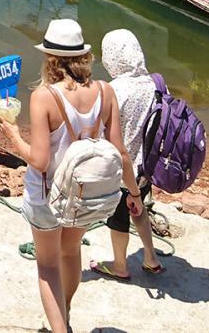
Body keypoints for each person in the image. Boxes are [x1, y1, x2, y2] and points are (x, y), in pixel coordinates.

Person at [0, 19, 141, 333]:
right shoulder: (105, 91)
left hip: (48, 195)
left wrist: (12, 135)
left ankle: (59, 326)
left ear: (50, 58)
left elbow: (39, 160)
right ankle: (65, 314)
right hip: (86, 194)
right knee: (70, 251)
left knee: (47, 265)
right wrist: (134, 194)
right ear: (83, 57)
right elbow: (121, 152)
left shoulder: (44, 97)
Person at [91, 28, 164, 281]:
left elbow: (100, 131)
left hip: (123, 167)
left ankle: (119, 265)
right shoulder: (154, 85)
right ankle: (151, 257)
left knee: (118, 218)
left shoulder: (114, 90)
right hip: (147, 166)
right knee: (139, 206)